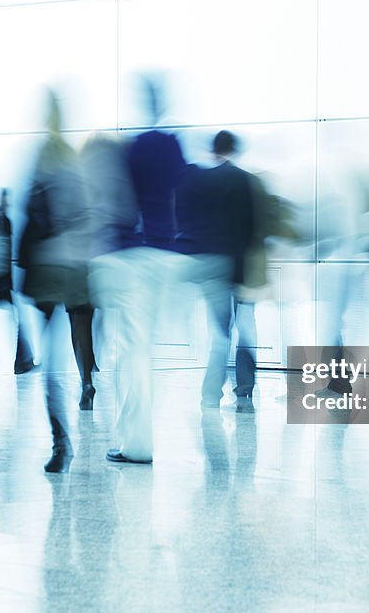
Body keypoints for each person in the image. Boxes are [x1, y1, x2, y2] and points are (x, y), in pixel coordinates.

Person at [89, 77, 186, 464]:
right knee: (142, 350)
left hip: (132, 256)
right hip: (165, 256)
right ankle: (136, 440)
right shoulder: (172, 146)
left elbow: (117, 203)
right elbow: (180, 195)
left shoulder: (130, 149)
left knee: (132, 351)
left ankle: (136, 443)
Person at [17, 91, 93, 472]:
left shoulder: (43, 155)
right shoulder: (74, 158)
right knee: (79, 332)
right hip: (75, 265)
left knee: (51, 355)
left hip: (48, 265)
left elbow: (29, 209)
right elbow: (85, 212)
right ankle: (86, 381)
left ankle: (60, 439)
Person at [174, 130, 254, 410]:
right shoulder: (243, 180)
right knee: (235, 328)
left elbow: (181, 217)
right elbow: (250, 231)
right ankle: (235, 388)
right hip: (233, 264)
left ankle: (212, 391)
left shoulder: (194, 178)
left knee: (219, 329)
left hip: (203, 263)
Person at [0, 188, 36, 375]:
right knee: (16, 322)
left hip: (4, 279)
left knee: (18, 321)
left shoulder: (6, 222)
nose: (8, 204)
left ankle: (23, 361)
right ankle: (22, 362)